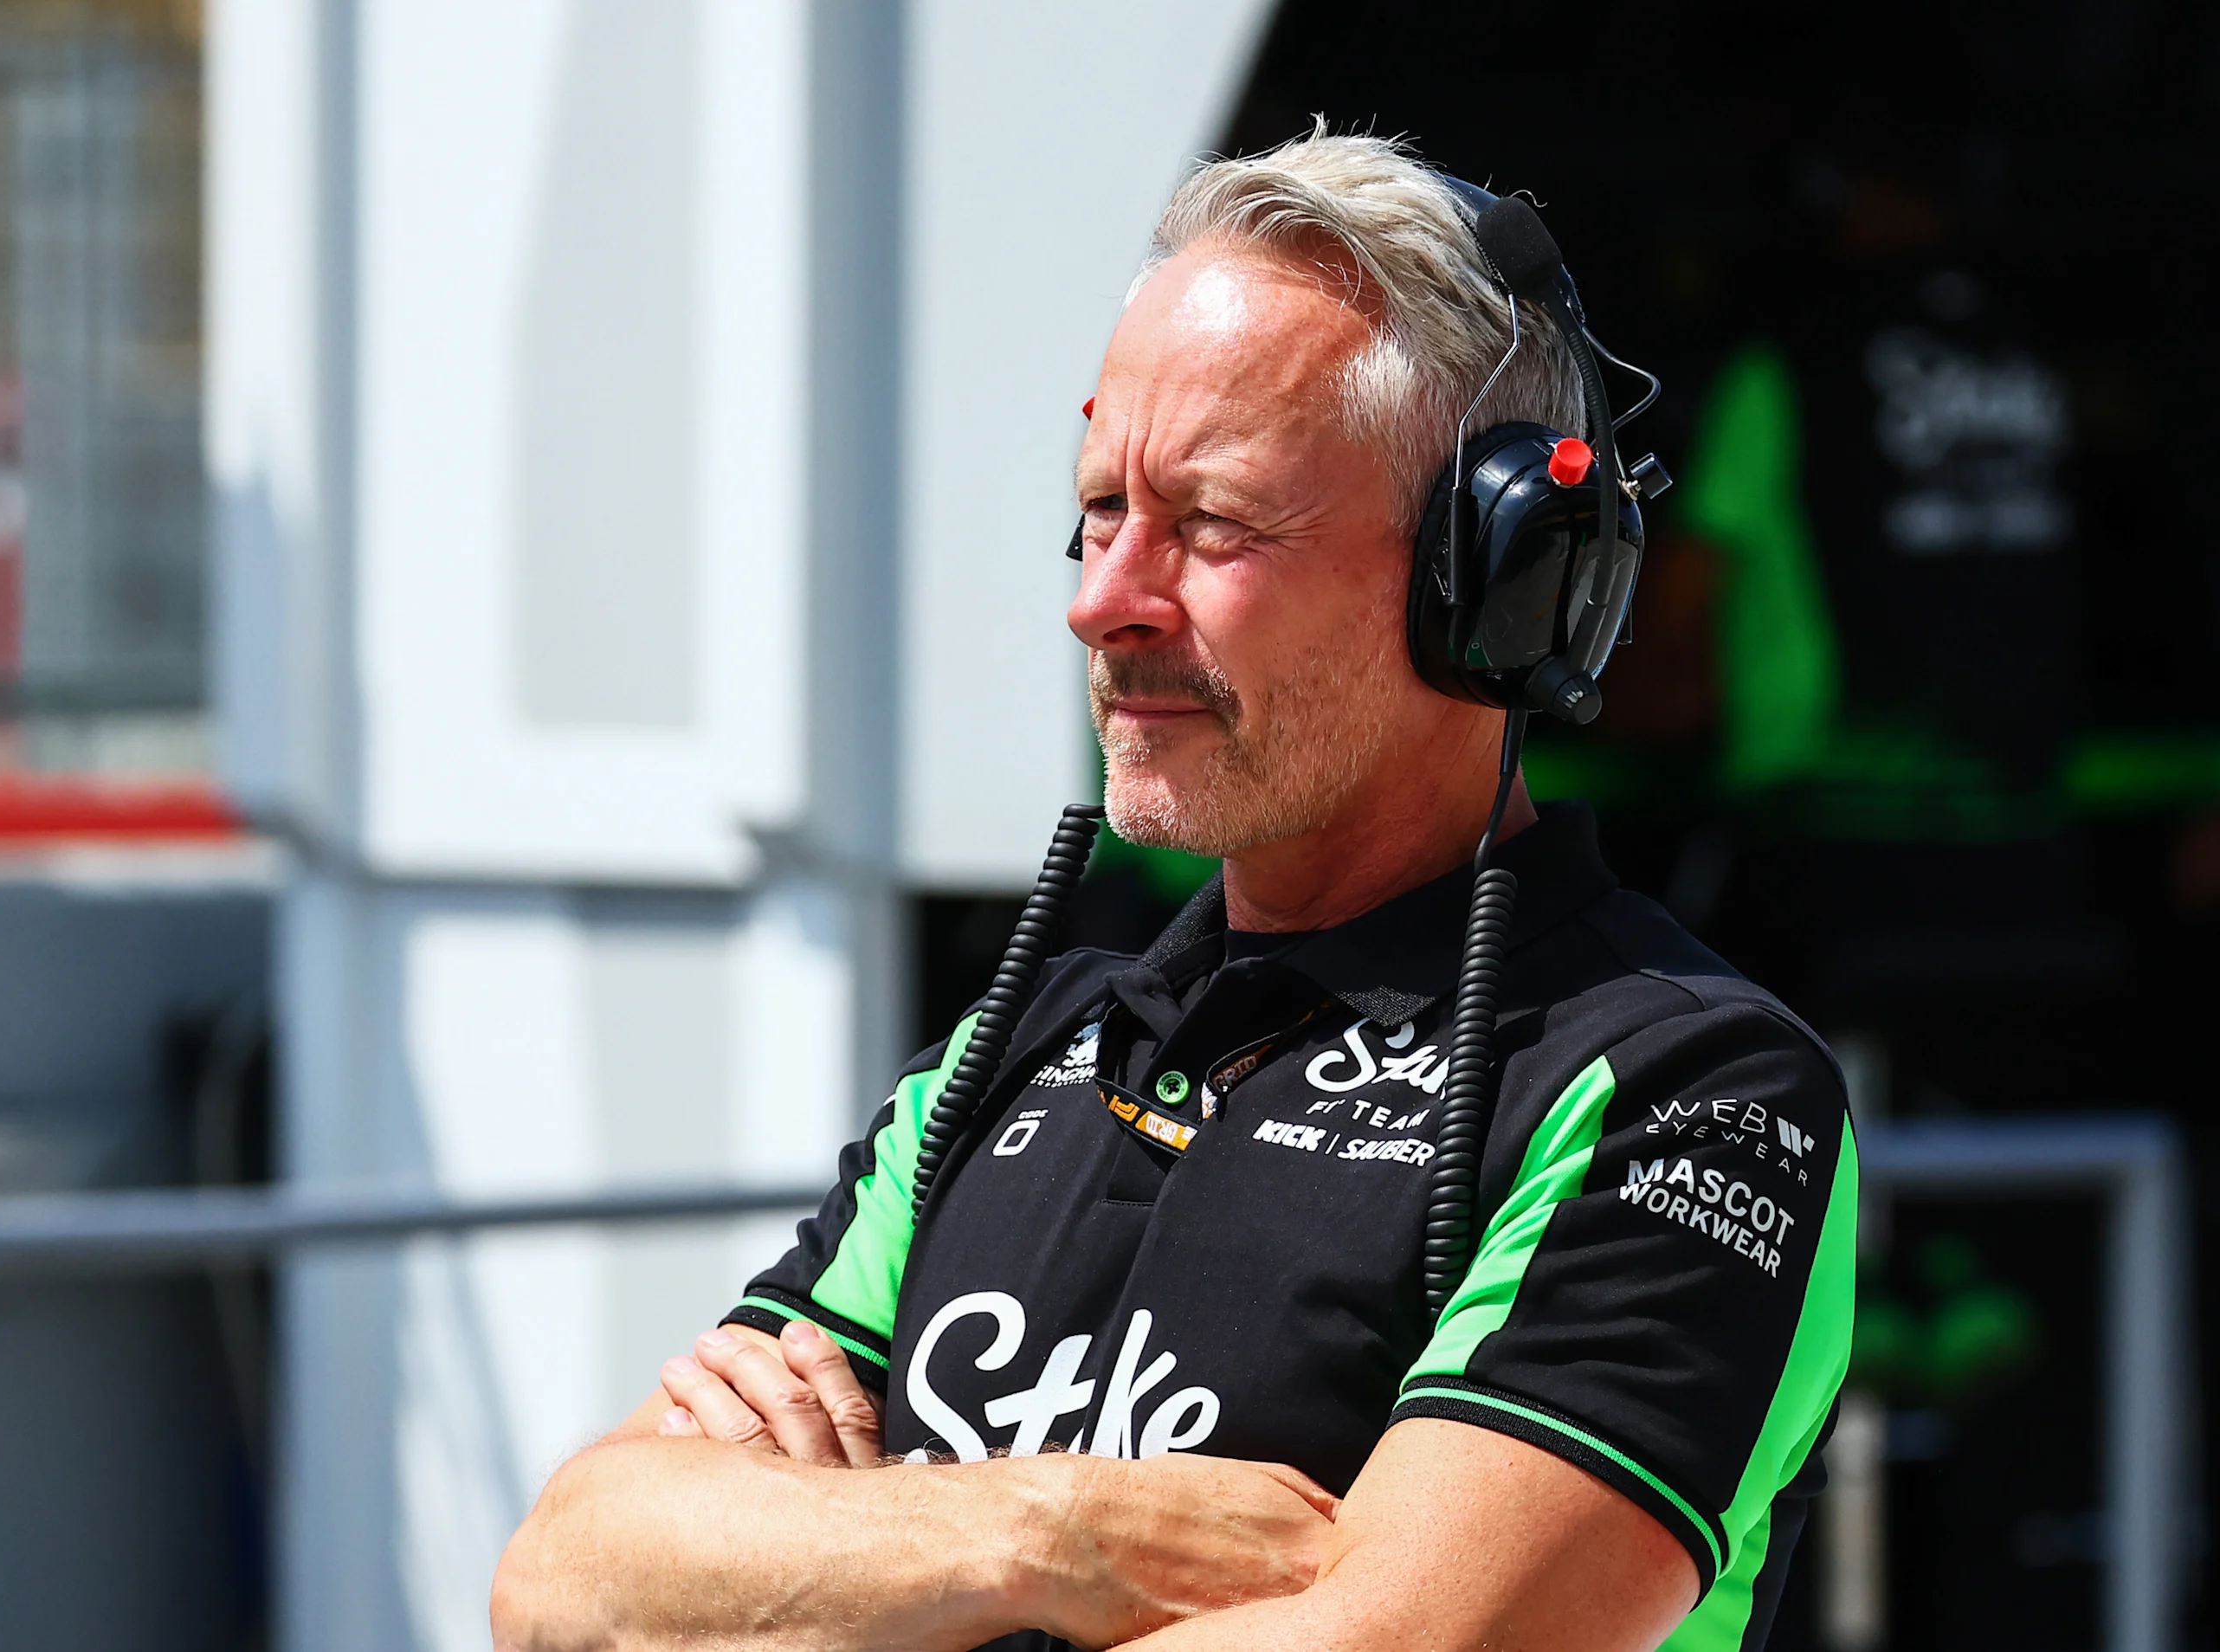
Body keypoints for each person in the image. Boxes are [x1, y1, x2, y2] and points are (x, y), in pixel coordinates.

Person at [492, 129, 1855, 1652]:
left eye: (1214, 525)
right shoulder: (1002, 1062)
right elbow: (571, 1585)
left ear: (1492, 582)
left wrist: (827, 1568)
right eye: (1099, 510)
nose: (1103, 600)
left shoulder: (1689, 1092)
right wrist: (1048, 1533)